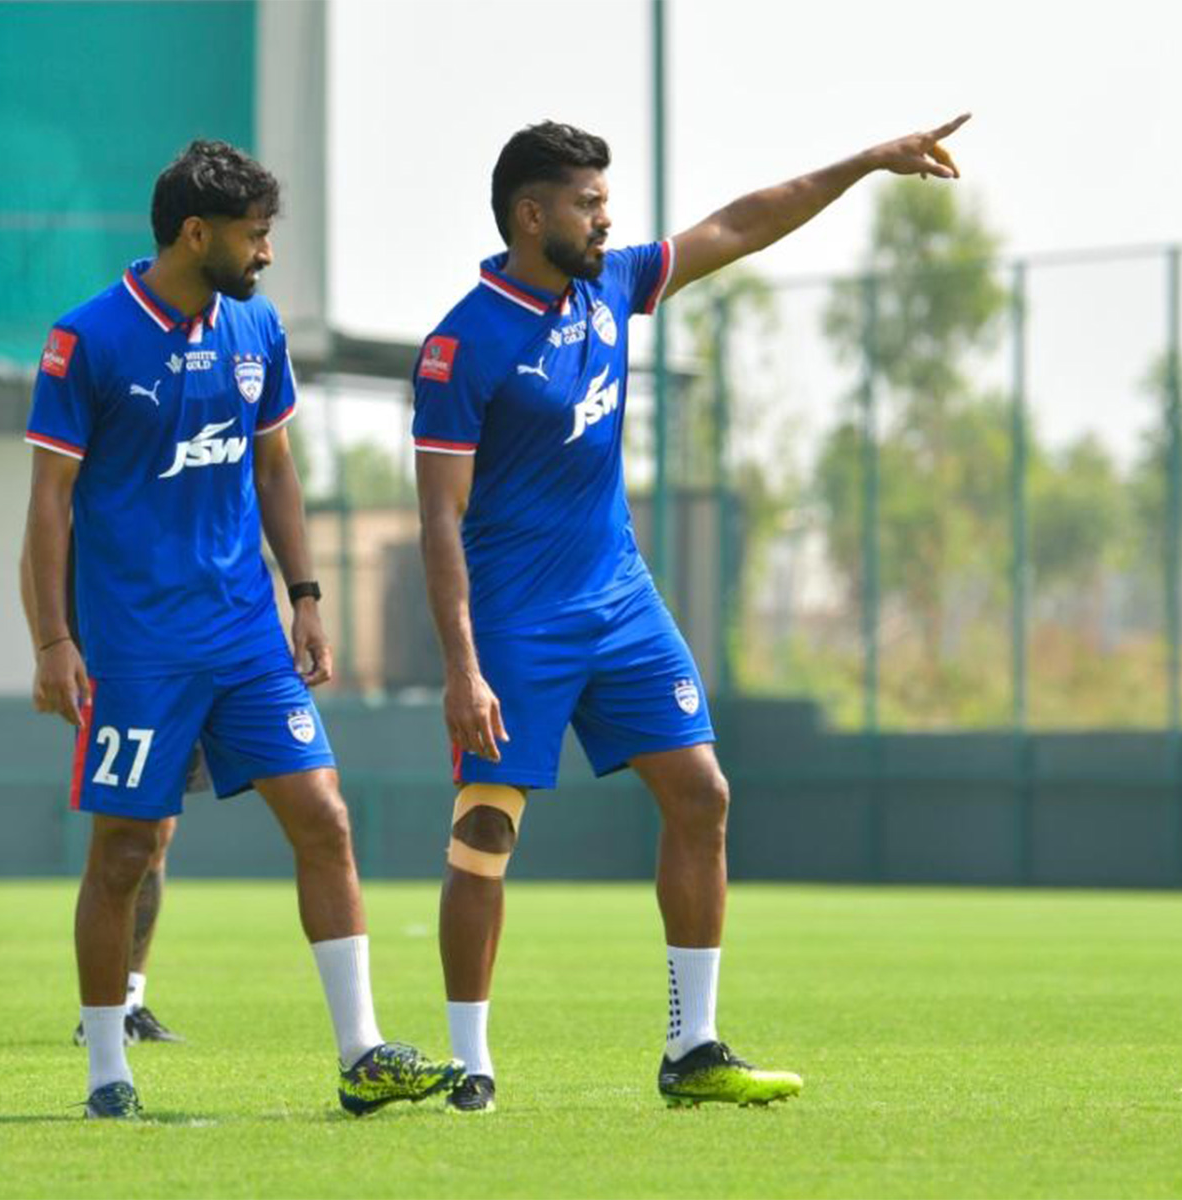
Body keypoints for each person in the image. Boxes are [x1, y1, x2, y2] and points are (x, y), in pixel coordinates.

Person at [413, 115, 969, 1113]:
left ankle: (692, 1046)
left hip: (620, 599)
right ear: (529, 213)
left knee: (702, 797)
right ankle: (471, 1062)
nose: (605, 215)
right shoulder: (462, 344)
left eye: (603, 200)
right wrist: (462, 666)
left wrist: (863, 163)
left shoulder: (611, 286)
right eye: (587, 202)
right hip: (515, 622)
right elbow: (437, 523)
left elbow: (741, 226)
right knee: (486, 831)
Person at [23, 139, 462, 1119]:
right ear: (195, 233)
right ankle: (107, 1074)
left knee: (324, 816)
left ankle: (361, 1054)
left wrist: (304, 597)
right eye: (255, 237)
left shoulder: (255, 330)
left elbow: (275, 471)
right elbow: (48, 502)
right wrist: (53, 640)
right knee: (126, 852)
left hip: (247, 637)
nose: (267, 255)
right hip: (136, 648)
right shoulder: (87, 339)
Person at [21, 535, 187, 1047]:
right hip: (115, 663)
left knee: (157, 838)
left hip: (183, 653)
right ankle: (100, 1013)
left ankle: (131, 1001)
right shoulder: (93, 469)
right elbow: (33, 554)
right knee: (123, 837)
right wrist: (47, 650)